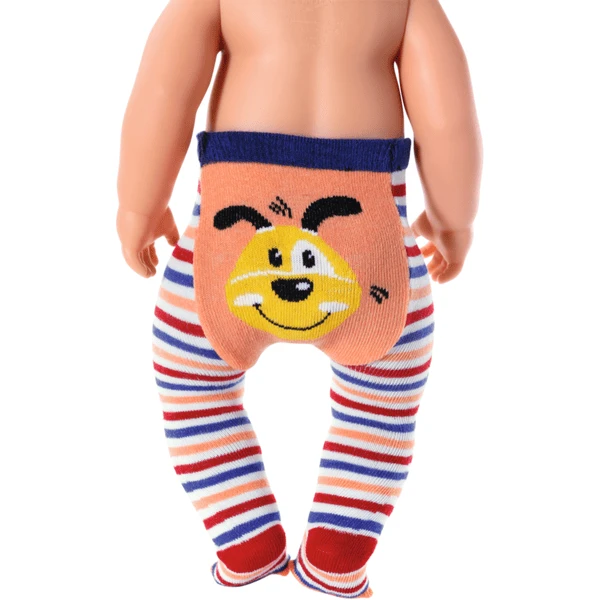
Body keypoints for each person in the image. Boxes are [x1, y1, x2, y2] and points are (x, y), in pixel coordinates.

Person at [116, 0, 482, 596]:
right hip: (371, 245)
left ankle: (244, 535)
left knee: (191, 383)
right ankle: (339, 551)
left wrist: (138, 203)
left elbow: (164, 89)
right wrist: (453, 221)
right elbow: (448, 117)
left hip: (232, 241)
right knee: (382, 407)